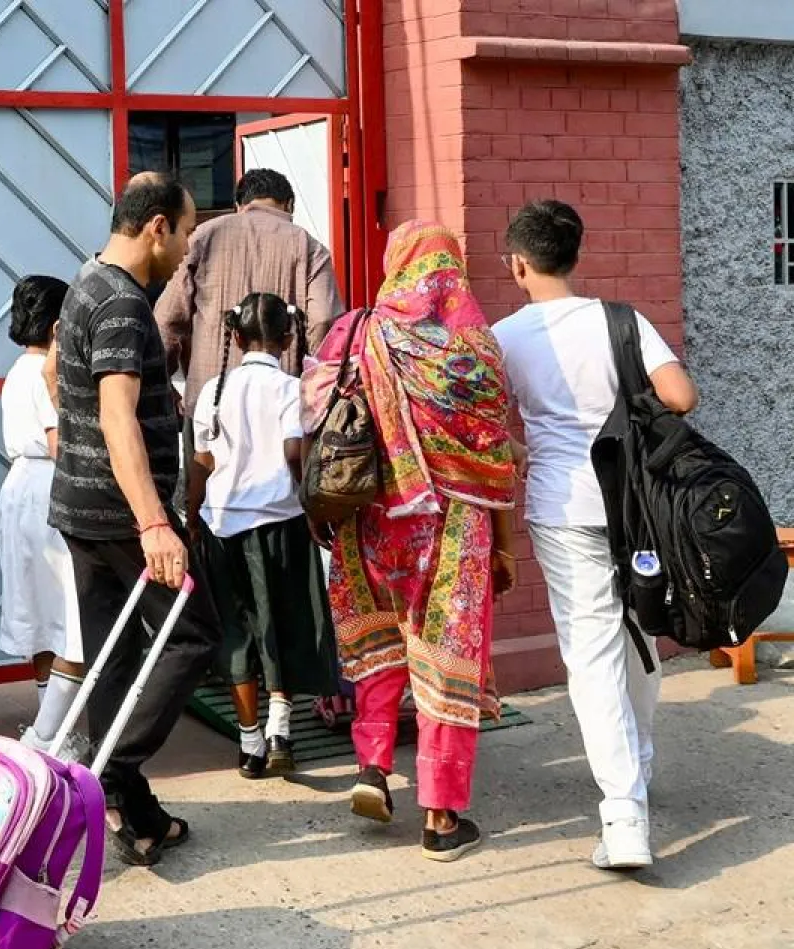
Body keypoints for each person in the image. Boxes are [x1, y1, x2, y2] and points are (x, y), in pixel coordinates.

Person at [493, 200, 698, 870]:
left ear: (518, 264)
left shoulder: (504, 337)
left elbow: (491, 424)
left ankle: (624, 814)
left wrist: (534, 445)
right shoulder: (622, 321)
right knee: (640, 631)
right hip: (636, 503)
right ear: (575, 256)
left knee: (591, 653)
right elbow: (680, 396)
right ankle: (635, 764)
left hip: (561, 505)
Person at [308, 221, 517, 863]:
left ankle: (372, 768)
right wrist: (504, 547)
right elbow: (497, 452)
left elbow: (311, 409)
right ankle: (441, 816)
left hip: (368, 516)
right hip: (454, 523)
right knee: (446, 653)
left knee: (381, 640)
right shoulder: (473, 347)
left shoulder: (354, 330)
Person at [50, 174, 221, 867]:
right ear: (156, 225)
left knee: (113, 658)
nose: (184, 251)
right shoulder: (122, 301)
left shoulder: (86, 280)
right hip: (123, 514)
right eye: (182, 232)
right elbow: (117, 414)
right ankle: (106, 773)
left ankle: (134, 814)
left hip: (82, 505)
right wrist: (155, 522)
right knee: (194, 634)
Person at [186, 292, 341, 779]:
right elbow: (296, 454)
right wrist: (314, 506)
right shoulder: (290, 389)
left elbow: (202, 462)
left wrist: (191, 517)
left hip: (222, 523)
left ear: (234, 335)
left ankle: (249, 742)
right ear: (289, 337)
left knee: (237, 631)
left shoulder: (213, 390)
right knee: (285, 622)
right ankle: (281, 731)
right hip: (280, 522)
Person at [156, 167, 342, 453]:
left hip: (210, 400)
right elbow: (323, 321)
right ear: (289, 205)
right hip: (283, 405)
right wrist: (314, 387)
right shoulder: (309, 247)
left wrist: (163, 384)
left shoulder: (204, 237)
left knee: (203, 488)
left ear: (239, 205)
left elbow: (168, 320)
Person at [0, 275, 87, 755]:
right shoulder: (45, 375)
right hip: (51, 488)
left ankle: (53, 724)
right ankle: (51, 733)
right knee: (71, 613)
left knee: (38, 611)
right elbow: (59, 443)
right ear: (58, 326)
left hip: (18, 491)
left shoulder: (15, 370)